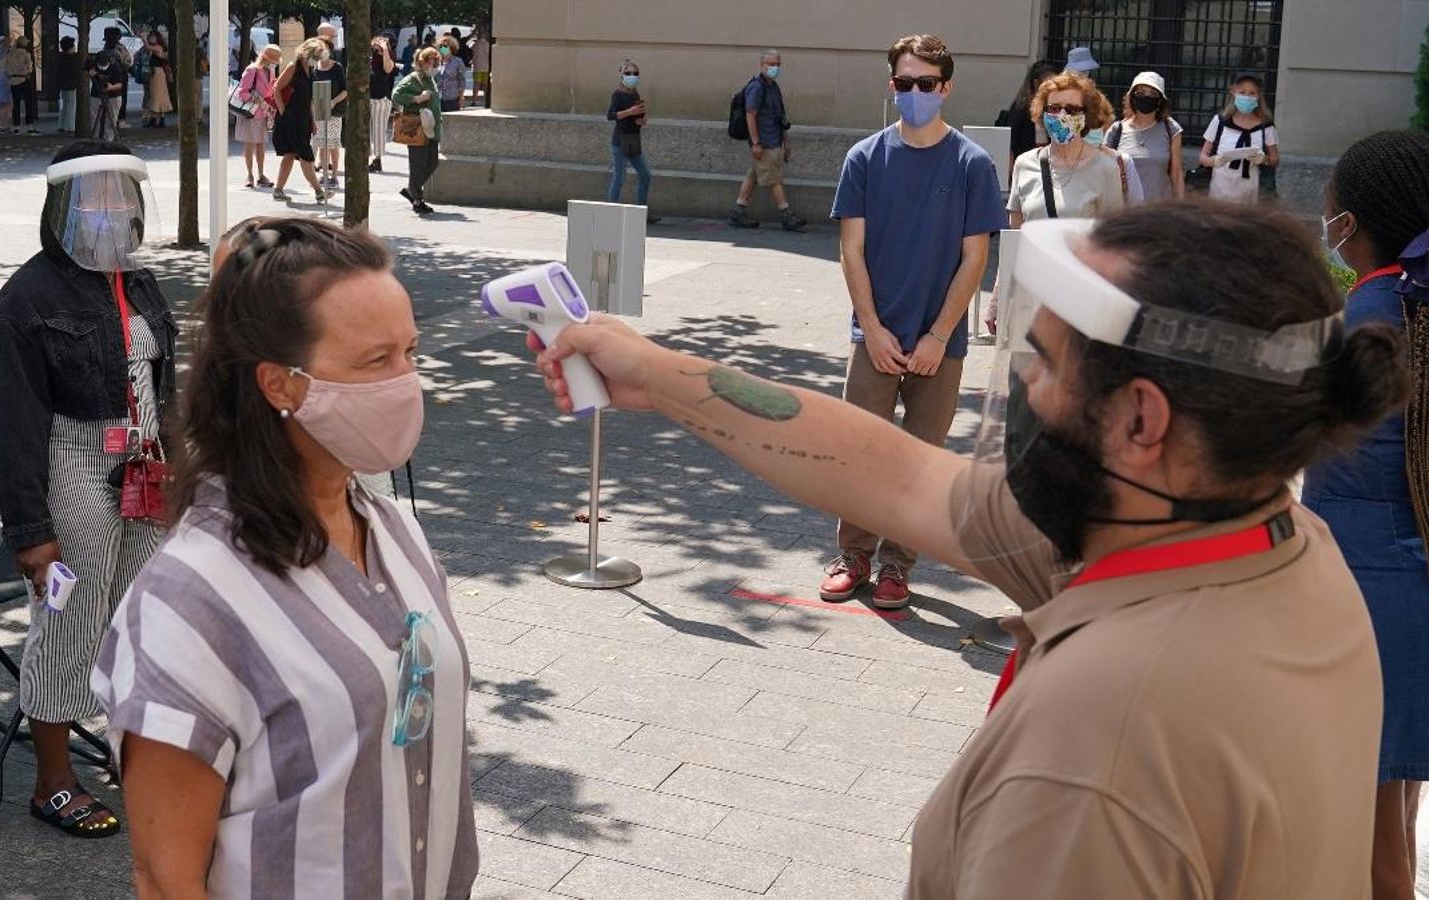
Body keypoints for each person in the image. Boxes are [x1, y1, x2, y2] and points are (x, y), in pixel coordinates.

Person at [527, 200, 1407, 897]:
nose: (1019, 381)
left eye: (1045, 362)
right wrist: (660, 375)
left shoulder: (1103, 739)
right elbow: (903, 478)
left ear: (1142, 420)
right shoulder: (1273, 541)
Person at [91, 216, 479, 898]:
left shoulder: (392, 530)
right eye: (376, 361)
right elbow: (164, 877)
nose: (406, 383)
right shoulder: (189, 602)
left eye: (411, 353)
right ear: (280, 384)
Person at [0, 140, 177, 840]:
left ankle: (135, 754)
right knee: (70, 620)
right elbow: (14, 426)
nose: (111, 209)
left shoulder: (140, 281)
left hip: (146, 466)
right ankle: (54, 781)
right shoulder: (24, 302)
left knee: (142, 618)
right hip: (74, 466)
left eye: (121, 193)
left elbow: (161, 384)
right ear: (63, 205)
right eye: (95, 196)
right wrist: (32, 534)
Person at [821, 33, 1006, 607]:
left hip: (939, 344)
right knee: (860, 453)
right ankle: (854, 555)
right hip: (875, 336)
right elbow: (851, 250)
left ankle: (897, 565)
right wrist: (873, 329)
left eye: (927, 83)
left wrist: (938, 335)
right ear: (892, 85)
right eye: (906, 82)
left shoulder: (973, 163)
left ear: (946, 88)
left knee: (921, 462)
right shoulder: (864, 158)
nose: (916, 92)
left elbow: (975, 258)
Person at [1305, 129, 1429, 900]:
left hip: (1366, 590)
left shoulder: (1365, 322)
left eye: (1329, 210)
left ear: (1350, 223)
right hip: (1408, 581)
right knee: (1398, 815)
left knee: (1373, 842)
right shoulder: (1412, 305)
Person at [1007, 71, 1125, 226]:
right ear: (1043, 113)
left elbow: (1113, 232)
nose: (1062, 116)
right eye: (1054, 108)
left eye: (1072, 109)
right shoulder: (1024, 164)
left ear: (1086, 115)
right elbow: (1016, 227)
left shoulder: (1106, 169)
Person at [731, 49, 804, 231]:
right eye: (771, 64)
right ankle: (786, 215)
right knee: (774, 179)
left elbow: (780, 117)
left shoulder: (773, 87)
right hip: (764, 142)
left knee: (753, 176)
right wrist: (756, 143)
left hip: (773, 139)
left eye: (778, 64)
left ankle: (739, 210)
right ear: (762, 65)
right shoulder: (757, 87)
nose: (775, 68)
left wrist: (786, 141)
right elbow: (750, 114)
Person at [1199, 73, 1279, 205]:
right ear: (1233, 92)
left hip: (1250, 194)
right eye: (1242, 92)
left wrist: (1264, 159)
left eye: (1252, 93)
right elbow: (1203, 156)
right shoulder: (1220, 122)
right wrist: (1212, 161)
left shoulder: (1266, 126)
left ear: (1258, 96)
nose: (1247, 97)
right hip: (1218, 191)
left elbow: (1275, 160)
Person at [1104, 71, 1184, 203]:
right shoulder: (1116, 130)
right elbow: (1103, 170)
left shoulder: (1171, 128)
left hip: (1160, 209)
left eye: (1152, 94)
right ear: (1132, 97)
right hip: (1125, 210)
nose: (1146, 97)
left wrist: (1181, 206)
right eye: (1140, 93)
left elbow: (1176, 173)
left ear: (1160, 100)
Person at [270, 39, 331, 204]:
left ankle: (278, 190)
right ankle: (319, 192)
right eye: (314, 57)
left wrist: (312, 120)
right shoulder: (293, 67)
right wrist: (284, 113)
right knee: (305, 155)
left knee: (290, 155)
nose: (316, 60)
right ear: (306, 53)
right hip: (290, 118)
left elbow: (308, 99)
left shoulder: (310, 71)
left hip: (303, 119)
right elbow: (276, 89)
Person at [606, 59, 658, 221]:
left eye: (635, 73)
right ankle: (611, 213)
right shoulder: (617, 94)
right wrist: (630, 111)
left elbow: (636, 118)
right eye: (628, 73)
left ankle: (641, 212)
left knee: (645, 175)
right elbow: (610, 115)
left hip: (634, 141)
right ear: (621, 75)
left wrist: (641, 120)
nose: (632, 76)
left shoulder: (635, 94)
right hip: (620, 142)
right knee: (619, 178)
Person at [394, 47, 444, 215]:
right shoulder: (413, 79)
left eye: (436, 63)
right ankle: (417, 199)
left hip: (431, 129)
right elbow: (396, 95)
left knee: (432, 162)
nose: (434, 66)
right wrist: (417, 98)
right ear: (422, 63)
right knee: (419, 164)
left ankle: (411, 190)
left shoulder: (430, 79)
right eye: (431, 63)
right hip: (417, 129)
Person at [997, 59, 1059, 163]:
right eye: (1049, 84)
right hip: (1026, 164)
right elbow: (1011, 145)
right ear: (1036, 84)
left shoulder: (1054, 108)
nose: (1054, 88)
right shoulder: (1021, 108)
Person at [235, 44, 279, 189]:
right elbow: (242, 92)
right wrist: (258, 100)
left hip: (263, 114)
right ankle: (249, 175)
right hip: (250, 113)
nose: (275, 63)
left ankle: (261, 175)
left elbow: (271, 91)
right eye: (274, 59)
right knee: (249, 144)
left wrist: (271, 105)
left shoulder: (271, 71)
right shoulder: (252, 69)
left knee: (261, 145)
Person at [314, 36, 347, 190]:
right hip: (320, 107)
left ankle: (334, 176)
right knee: (322, 143)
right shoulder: (314, 67)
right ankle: (324, 175)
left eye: (324, 48)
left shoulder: (337, 67)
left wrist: (333, 101)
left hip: (335, 109)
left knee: (333, 143)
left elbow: (345, 90)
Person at [86, 28, 127, 141]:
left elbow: (120, 84)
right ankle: (95, 139)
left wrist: (111, 87)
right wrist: (90, 74)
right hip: (96, 93)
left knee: (111, 120)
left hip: (114, 95)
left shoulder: (115, 65)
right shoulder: (93, 61)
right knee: (95, 118)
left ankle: (108, 140)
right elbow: (84, 70)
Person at [368, 36, 397, 173]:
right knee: (367, 129)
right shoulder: (370, 60)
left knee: (379, 129)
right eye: (375, 48)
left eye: (378, 49)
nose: (376, 51)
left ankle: (377, 159)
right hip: (368, 98)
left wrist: (385, 49)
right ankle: (367, 157)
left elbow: (388, 68)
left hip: (381, 99)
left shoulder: (389, 60)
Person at [4, 36, 38, 135]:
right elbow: (30, 69)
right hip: (24, 79)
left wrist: (9, 74)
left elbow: (3, 67)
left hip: (13, 80)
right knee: (28, 103)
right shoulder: (26, 54)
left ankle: (16, 127)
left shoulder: (9, 54)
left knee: (16, 104)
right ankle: (30, 126)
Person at [141, 31, 173, 128]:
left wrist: (143, 39)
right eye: (150, 36)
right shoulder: (159, 47)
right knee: (157, 96)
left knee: (156, 96)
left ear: (157, 38)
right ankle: (157, 119)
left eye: (153, 36)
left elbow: (148, 47)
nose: (151, 38)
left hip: (157, 73)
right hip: (156, 73)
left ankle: (156, 119)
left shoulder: (158, 47)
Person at [54, 37, 81, 134]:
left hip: (62, 84)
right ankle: (70, 126)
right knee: (71, 105)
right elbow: (75, 71)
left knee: (64, 105)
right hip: (72, 84)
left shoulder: (60, 57)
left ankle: (62, 124)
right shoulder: (73, 58)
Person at [436, 36, 468, 112]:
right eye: (441, 46)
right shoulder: (436, 62)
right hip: (437, 98)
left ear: (451, 48)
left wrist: (461, 97)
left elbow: (462, 81)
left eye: (445, 46)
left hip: (452, 98)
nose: (443, 48)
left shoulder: (458, 61)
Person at [470, 24, 492, 108]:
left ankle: (474, 101)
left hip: (477, 67)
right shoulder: (488, 44)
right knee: (485, 84)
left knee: (476, 84)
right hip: (486, 67)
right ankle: (486, 100)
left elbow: (471, 52)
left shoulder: (474, 44)